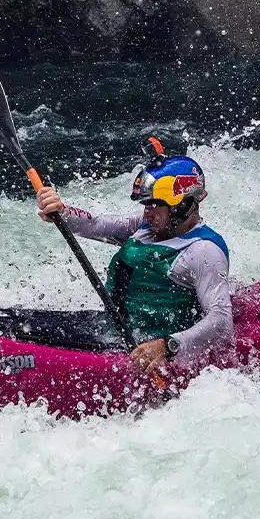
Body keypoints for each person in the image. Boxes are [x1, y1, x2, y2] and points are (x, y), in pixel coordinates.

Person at [34, 138, 232, 377]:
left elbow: (221, 323)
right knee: (16, 325)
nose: (147, 213)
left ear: (184, 204)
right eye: (145, 205)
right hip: (111, 329)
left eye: (155, 205)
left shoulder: (203, 251)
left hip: (142, 349)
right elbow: (96, 225)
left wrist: (167, 347)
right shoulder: (148, 226)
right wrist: (61, 211)